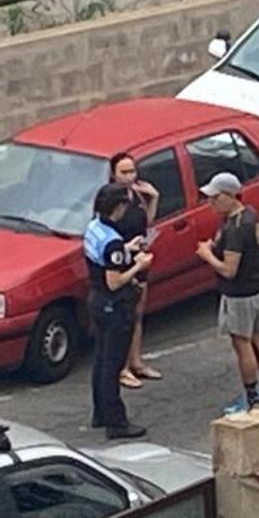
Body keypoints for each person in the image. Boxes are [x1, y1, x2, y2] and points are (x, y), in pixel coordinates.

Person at [195, 172, 259, 410]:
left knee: (242, 343)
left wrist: (207, 254)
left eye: (215, 197)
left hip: (240, 293)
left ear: (230, 196)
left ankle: (252, 396)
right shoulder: (250, 215)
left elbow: (229, 270)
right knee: (256, 336)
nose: (211, 202)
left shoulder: (235, 229)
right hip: (257, 286)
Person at [84, 183, 152, 439]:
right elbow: (115, 280)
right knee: (112, 365)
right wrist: (138, 265)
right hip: (114, 305)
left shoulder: (95, 228)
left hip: (97, 299)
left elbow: (104, 259)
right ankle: (116, 422)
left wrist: (127, 249)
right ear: (118, 207)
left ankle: (100, 413)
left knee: (101, 359)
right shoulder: (112, 242)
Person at [108, 152, 163, 389]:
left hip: (140, 260)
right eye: (124, 172)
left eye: (132, 171)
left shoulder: (138, 194)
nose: (130, 177)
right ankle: (122, 369)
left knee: (138, 314)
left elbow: (145, 224)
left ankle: (136, 362)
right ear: (113, 174)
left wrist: (154, 200)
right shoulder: (111, 198)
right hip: (123, 262)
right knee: (124, 317)